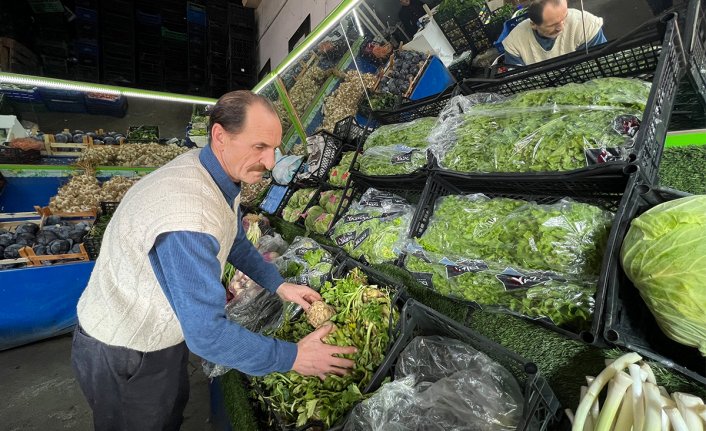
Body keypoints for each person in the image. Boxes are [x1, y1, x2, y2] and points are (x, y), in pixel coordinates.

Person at [71, 90, 357, 431]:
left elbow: (232, 240)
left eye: (274, 148)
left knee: (169, 410)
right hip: (125, 348)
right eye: (259, 147)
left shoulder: (213, 173)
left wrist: (279, 284)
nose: (270, 164)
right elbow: (206, 336)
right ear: (220, 136)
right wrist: (294, 357)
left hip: (161, 331)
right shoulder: (187, 217)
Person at [502, 0, 607, 66]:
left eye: (564, 17)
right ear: (533, 24)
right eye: (553, 25)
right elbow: (517, 80)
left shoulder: (585, 25)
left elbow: (603, 61)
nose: (561, 27)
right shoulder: (515, 43)